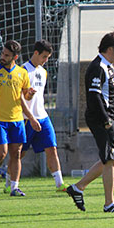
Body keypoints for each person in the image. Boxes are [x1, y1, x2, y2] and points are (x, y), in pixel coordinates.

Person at [66, 32, 114, 212]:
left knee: (110, 159)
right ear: (110, 49)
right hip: (103, 119)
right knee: (110, 160)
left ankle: (78, 188)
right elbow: (94, 97)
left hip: (111, 118)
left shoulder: (109, 66)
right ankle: (109, 204)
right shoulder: (98, 67)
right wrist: (106, 121)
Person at [0, 40, 41, 197]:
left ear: (15, 56)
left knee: (16, 153)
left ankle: (14, 187)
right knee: (1, 153)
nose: (3, 57)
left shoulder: (22, 73)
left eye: (6, 55)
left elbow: (23, 98)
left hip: (17, 120)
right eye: (2, 53)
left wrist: (31, 115)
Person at [14, 40, 68, 192]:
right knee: (19, 154)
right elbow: (20, 97)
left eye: (48, 57)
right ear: (36, 53)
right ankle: (8, 181)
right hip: (25, 119)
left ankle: (60, 184)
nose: (46, 60)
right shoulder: (23, 70)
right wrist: (30, 117)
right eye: (44, 56)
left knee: (52, 148)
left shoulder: (43, 72)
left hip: (43, 116)